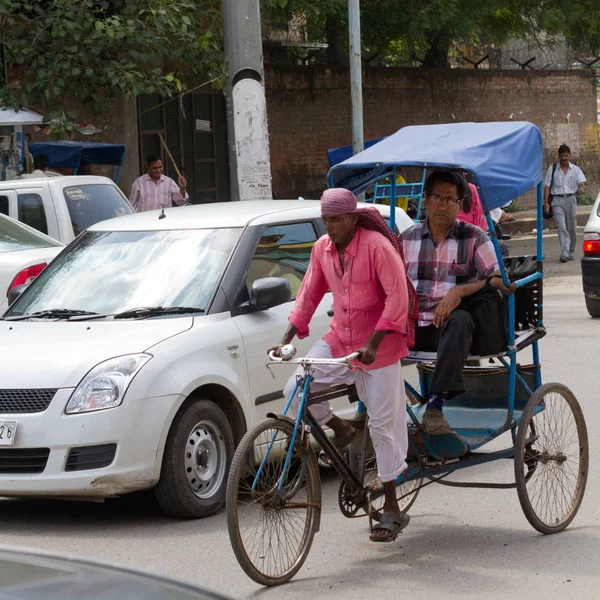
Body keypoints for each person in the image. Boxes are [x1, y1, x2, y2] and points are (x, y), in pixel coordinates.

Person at [270, 187, 416, 543]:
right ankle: (341, 428)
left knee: (383, 424)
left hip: (379, 344)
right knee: (297, 387)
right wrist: (288, 337)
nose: (331, 226)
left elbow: (398, 299)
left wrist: (374, 344)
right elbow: (308, 294)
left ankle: (393, 506)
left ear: (352, 218)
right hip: (341, 339)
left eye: (337, 219)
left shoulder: (376, 247)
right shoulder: (322, 249)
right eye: (326, 220)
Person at [400, 171, 514, 435]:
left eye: (450, 199)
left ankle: (435, 407)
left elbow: (497, 278)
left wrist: (460, 291)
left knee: (462, 319)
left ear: (460, 203)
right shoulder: (406, 238)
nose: (442, 204)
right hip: (411, 326)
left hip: (449, 331)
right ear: (426, 199)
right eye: (437, 197)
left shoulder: (474, 237)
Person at [544, 144, 586, 263]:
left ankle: (570, 250)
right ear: (558, 156)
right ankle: (564, 253)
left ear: (570, 156)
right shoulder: (552, 169)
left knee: (571, 227)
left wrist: (581, 187)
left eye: (566, 156)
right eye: (561, 156)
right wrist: (546, 202)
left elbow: (581, 182)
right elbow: (547, 186)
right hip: (557, 200)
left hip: (571, 199)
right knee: (561, 227)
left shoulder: (576, 169)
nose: (564, 158)